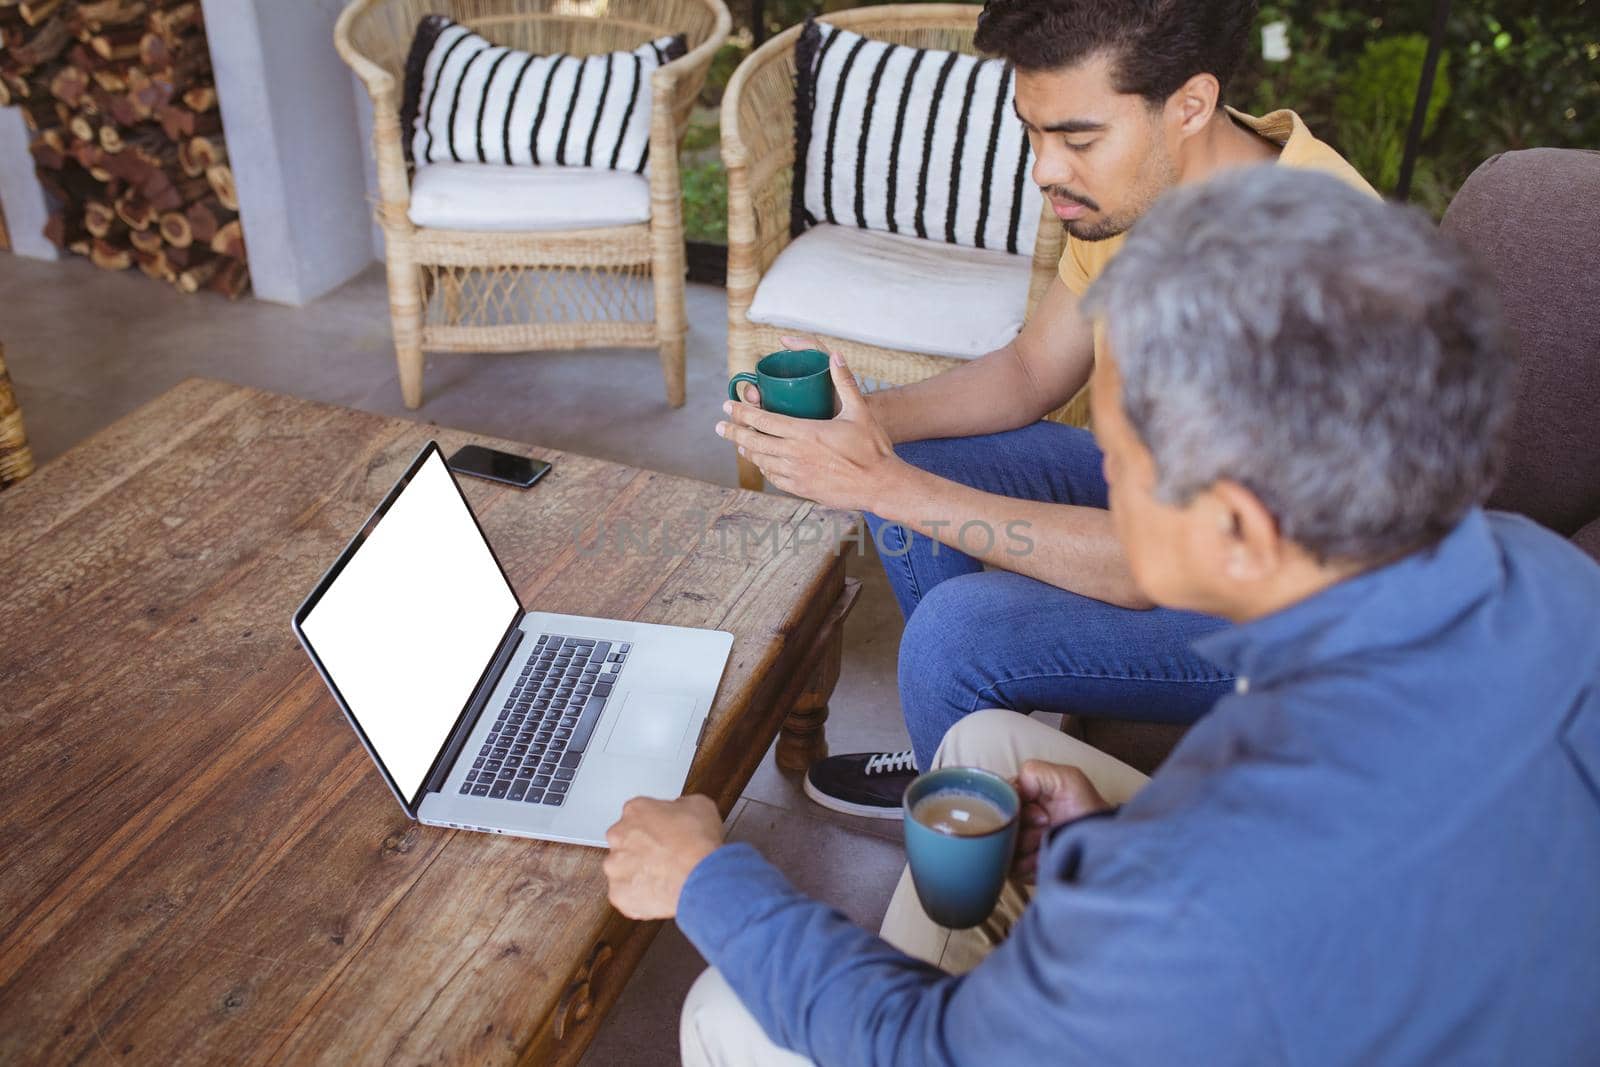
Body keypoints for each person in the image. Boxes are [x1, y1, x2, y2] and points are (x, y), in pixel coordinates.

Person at [614, 167, 1600, 1065]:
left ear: (1236, 522)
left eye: (1117, 468)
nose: (1102, 494)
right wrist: (1107, 847)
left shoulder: (1199, 895)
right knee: (990, 745)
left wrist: (705, 877)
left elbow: (920, 1046)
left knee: (725, 1012)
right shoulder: (1548, 577)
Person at [716, 0, 1379, 820]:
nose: (1044, 170)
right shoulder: (1144, 185)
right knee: (925, 454)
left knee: (953, 634)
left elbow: (1146, 567)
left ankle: (967, 827)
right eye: (1033, 132)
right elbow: (1031, 369)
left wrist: (876, 485)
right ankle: (965, 753)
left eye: (1076, 138)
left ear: (1191, 104)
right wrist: (865, 427)